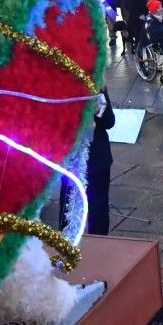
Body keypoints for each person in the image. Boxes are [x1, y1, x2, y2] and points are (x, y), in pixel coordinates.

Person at [60, 90, 116, 234]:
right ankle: (98, 249)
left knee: (69, 208)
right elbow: (109, 121)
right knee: (98, 208)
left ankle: (67, 246)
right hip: (95, 158)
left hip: (71, 157)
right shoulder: (95, 83)